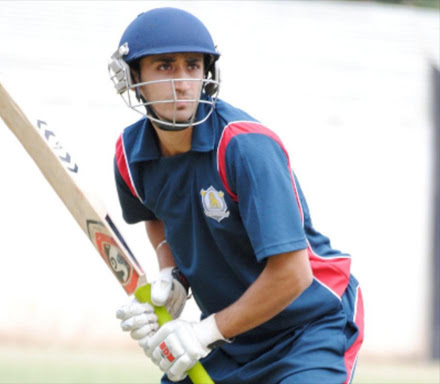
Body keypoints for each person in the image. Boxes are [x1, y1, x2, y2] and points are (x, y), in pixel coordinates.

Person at [108, 7, 364, 384]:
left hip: (309, 327)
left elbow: (293, 274)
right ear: (132, 77)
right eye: (164, 66)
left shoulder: (243, 146)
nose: (181, 82)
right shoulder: (130, 156)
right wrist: (171, 275)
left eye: (192, 65)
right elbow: (157, 215)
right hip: (235, 336)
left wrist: (202, 333)